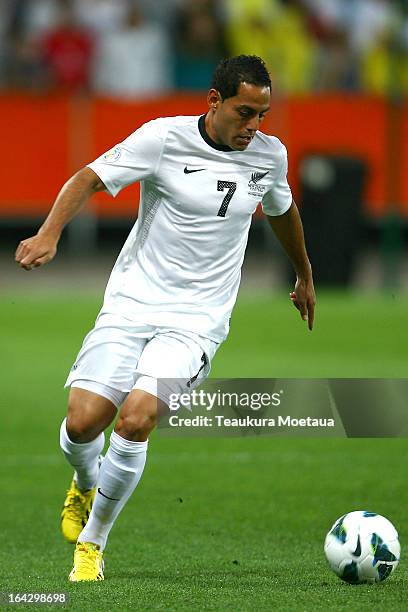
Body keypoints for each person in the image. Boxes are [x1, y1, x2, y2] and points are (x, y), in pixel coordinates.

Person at [15, 55, 315, 582]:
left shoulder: (270, 157)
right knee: (84, 422)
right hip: (131, 303)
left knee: (136, 417)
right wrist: (49, 233)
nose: (254, 127)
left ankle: (93, 543)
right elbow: (89, 176)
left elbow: (282, 210)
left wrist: (304, 276)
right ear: (214, 101)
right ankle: (84, 483)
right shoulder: (163, 139)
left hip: (198, 320)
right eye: (245, 113)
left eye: (262, 116)